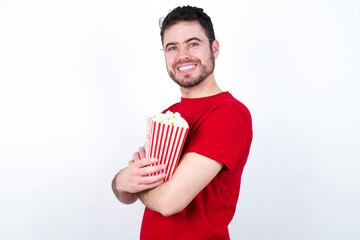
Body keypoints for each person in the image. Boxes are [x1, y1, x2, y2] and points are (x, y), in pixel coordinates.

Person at [112, 6, 253, 240]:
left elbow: (169, 202)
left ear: (214, 48)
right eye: (172, 47)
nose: (182, 55)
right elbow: (127, 193)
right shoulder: (168, 115)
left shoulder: (230, 114)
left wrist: (138, 187)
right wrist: (122, 181)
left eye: (193, 43)